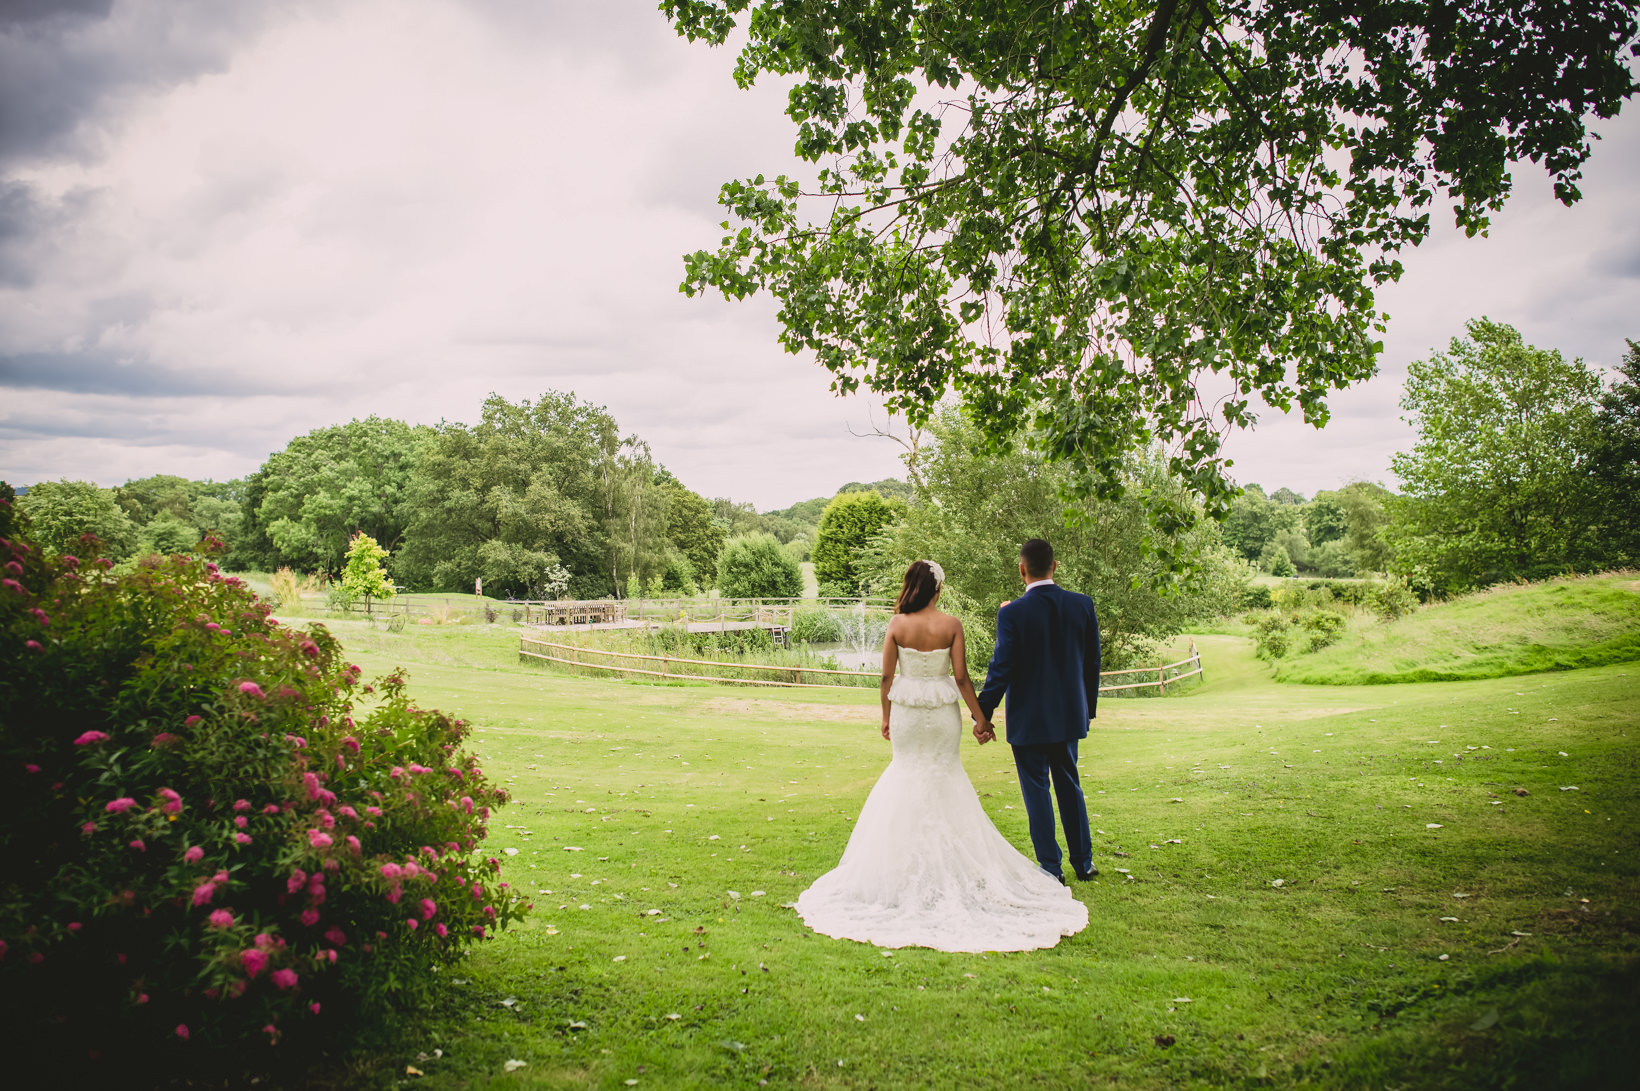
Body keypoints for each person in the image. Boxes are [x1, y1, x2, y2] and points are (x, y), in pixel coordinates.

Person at [794, 560, 1088, 952]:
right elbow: (963, 678)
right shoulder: (952, 625)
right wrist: (981, 720)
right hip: (942, 711)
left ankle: (896, 872)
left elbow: (886, 677)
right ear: (938, 589)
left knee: (906, 774)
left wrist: (885, 717)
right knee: (945, 776)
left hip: (907, 713)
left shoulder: (897, 625)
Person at [975, 538, 1101, 883]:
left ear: (1021, 569)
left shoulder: (1012, 612)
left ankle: (1051, 868)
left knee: (1036, 791)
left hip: (1029, 719)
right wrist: (1086, 709)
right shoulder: (1082, 605)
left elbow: (1001, 669)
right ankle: (1084, 862)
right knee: (1069, 786)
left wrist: (981, 714)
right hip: (1068, 717)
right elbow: (1092, 663)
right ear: (1054, 566)